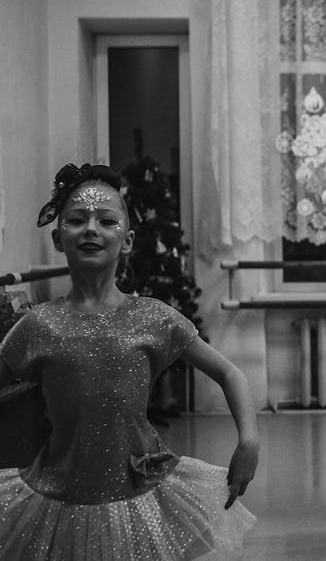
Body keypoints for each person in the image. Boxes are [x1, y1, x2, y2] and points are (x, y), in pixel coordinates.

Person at [0, 163, 257, 560]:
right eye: (76, 219)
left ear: (128, 240)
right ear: (57, 237)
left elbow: (229, 372)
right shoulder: (38, 325)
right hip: (56, 495)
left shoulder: (154, 318)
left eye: (106, 220)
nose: (90, 228)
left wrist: (249, 441)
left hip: (139, 494)